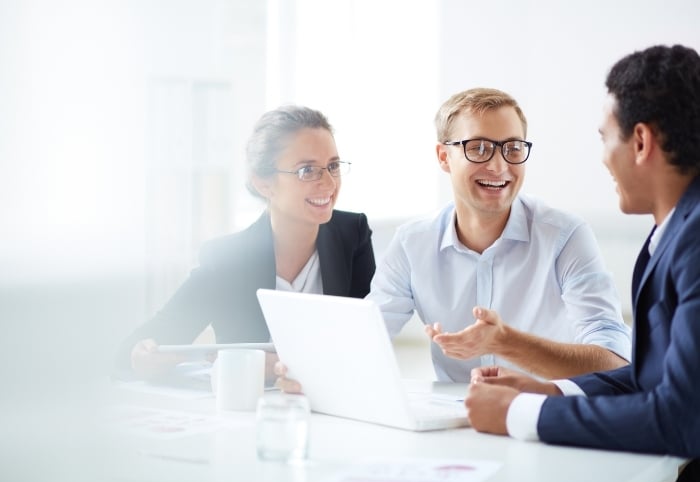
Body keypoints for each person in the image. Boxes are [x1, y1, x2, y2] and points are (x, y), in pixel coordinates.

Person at [465, 44, 700, 482]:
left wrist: (519, 414)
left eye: (603, 137)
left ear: (640, 141)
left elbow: (682, 418)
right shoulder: (676, 231)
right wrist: (552, 393)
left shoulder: (693, 241)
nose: (601, 156)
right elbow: (662, 377)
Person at [366, 87, 631, 382]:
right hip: (454, 418)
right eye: (478, 148)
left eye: (513, 148)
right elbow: (364, 338)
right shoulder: (411, 243)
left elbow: (614, 361)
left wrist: (505, 342)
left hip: (544, 413)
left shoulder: (564, 236)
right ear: (444, 157)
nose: (499, 166)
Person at [116, 105, 376, 381]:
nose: (328, 183)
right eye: (307, 170)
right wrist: (140, 356)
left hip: (334, 407)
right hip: (250, 412)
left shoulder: (352, 235)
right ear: (264, 184)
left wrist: (285, 365)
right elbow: (144, 343)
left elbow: (368, 345)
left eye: (333, 166)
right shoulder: (228, 259)